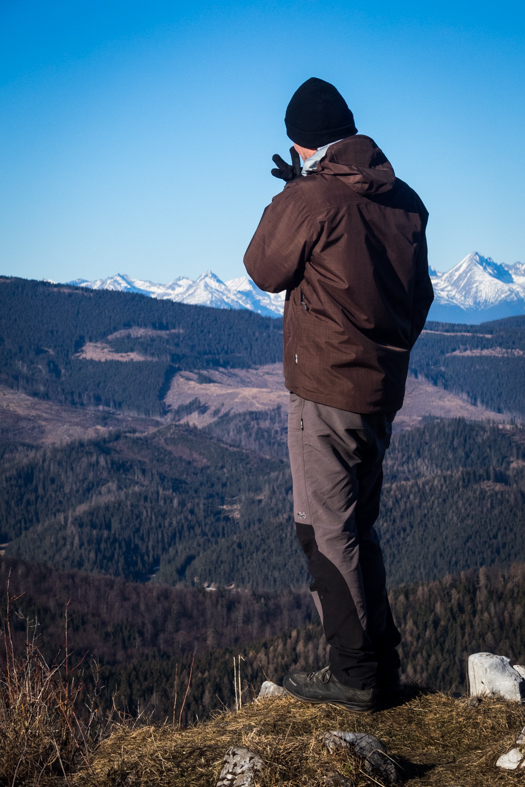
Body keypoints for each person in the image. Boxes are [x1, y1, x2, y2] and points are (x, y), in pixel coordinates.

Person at [243, 77, 434, 712]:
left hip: (324, 386)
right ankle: (381, 662)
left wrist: (294, 195)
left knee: (323, 532)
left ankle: (355, 676)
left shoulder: (315, 197)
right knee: (357, 528)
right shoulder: (404, 199)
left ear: (300, 144)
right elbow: (418, 298)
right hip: (381, 389)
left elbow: (262, 268)